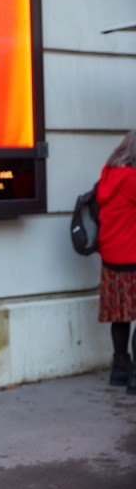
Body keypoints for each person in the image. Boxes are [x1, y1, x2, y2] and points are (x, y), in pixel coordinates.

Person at [96, 130, 136, 394]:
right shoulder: (131, 179)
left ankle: (119, 370)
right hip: (132, 257)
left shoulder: (107, 174)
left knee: (119, 317)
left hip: (111, 258)